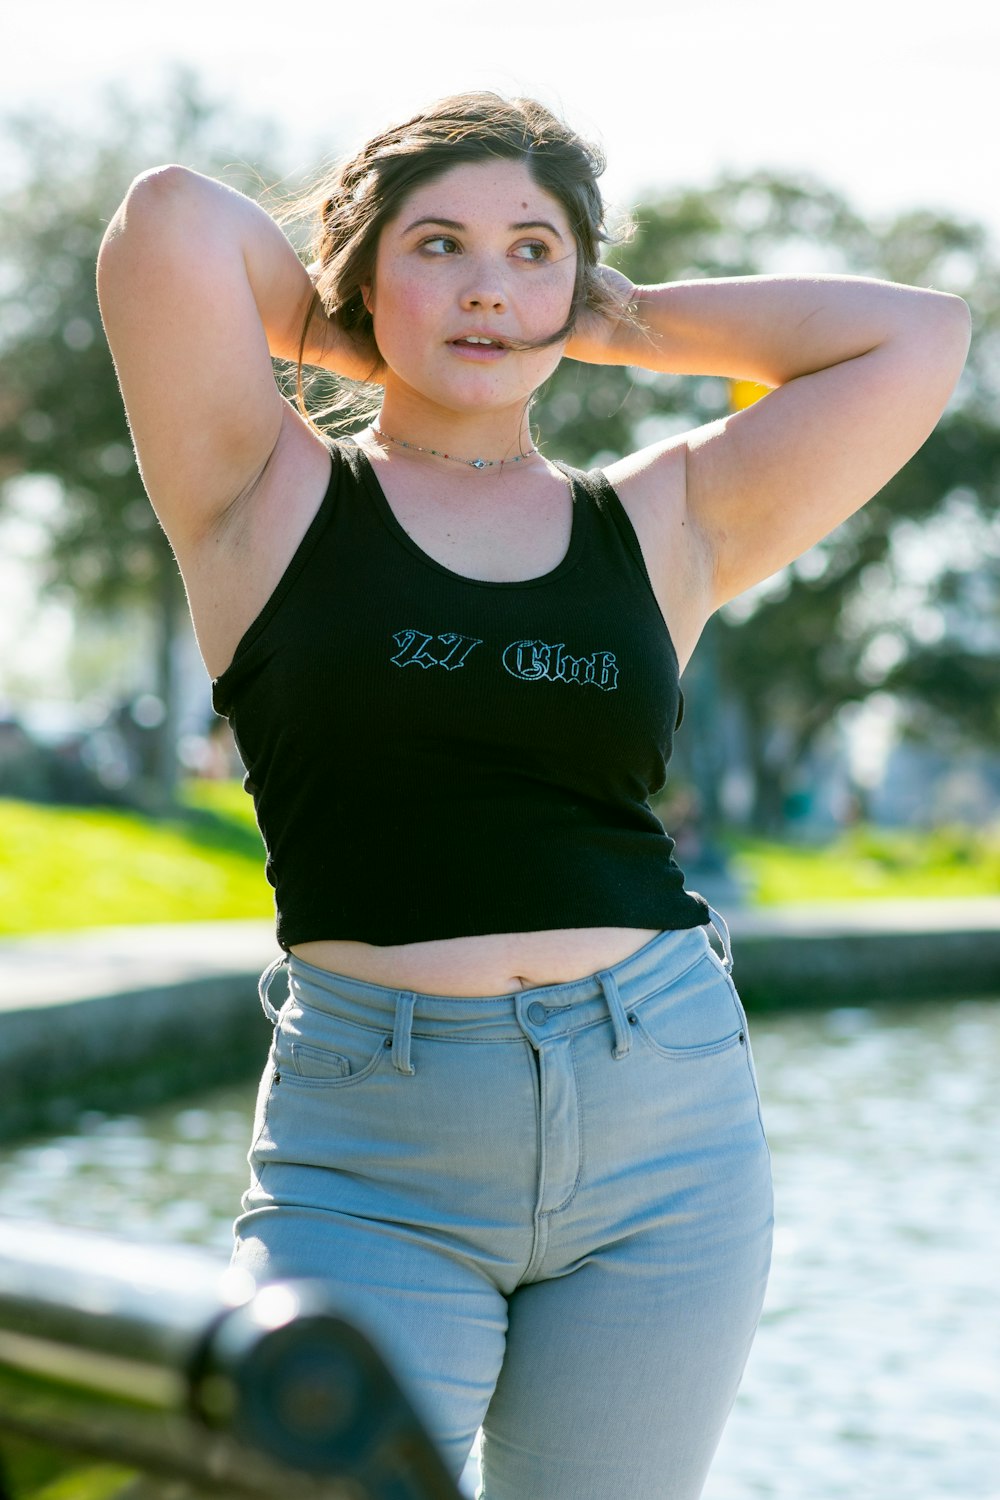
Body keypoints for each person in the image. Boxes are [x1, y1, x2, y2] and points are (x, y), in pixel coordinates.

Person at [96, 93, 970, 1500]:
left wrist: (603, 324)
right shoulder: (264, 491)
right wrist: (376, 325)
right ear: (365, 265)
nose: (489, 285)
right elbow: (171, 221)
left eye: (533, 251)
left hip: (665, 1120)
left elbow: (918, 335)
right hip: (373, 1142)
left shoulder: (666, 519)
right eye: (439, 245)